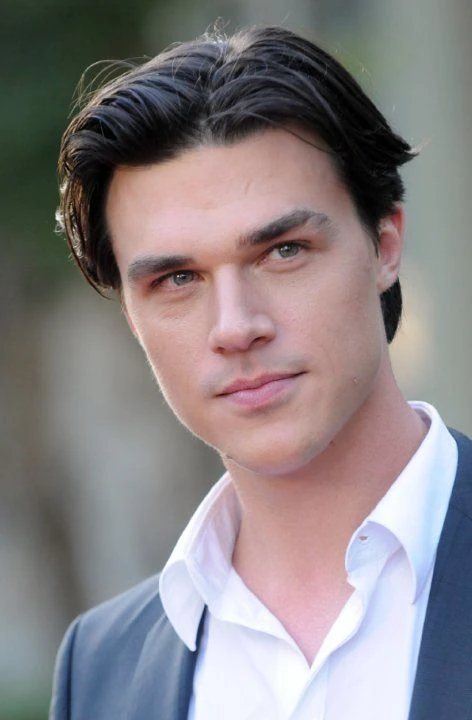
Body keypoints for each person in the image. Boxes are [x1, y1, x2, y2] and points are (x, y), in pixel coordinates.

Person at [49, 25, 472, 720]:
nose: (236, 326)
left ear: (385, 245)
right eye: (178, 279)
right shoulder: (100, 670)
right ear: (131, 314)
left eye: (283, 252)